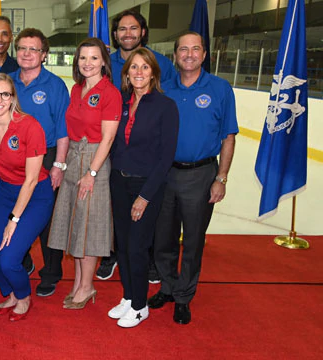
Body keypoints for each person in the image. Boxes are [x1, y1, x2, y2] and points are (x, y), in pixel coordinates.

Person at [147, 31, 238, 325]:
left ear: (204, 53)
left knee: (194, 241)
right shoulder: (163, 88)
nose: (189, 54)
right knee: (163, 239)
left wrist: (221, 178)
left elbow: (228, 136)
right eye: (183, 49)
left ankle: (184, 297)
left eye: (195, 49)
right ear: (175, 54)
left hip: (201, 175)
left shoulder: (220, 89)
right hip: (165, 173)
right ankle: (168, 287)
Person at [97, 9, 179, 283]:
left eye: (133, 28)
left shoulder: (163, 70)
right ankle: (116, 262)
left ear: (143, 31)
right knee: (121, 228)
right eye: (122, 29)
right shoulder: (108, 68)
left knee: (142, 232)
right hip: (119, 164)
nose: (128, 33)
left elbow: (163, 107)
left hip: (148, 166)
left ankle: (144, 276)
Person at [107, 48, 179, 328]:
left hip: (146, 185)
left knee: (137, 247)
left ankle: (140, 306)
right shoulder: (122, 103)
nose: (138, 72)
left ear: (153, 73)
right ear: (126, 73)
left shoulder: (165, 106)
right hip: (118, 181)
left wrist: (145, 197)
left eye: (144, 67)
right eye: (133, 67)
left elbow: (166, 157)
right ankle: (129, 296)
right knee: (122, 246)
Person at [48, 38, 121, 309]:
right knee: (76, 224)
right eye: (82, 58)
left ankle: (88, 285)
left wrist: (91, 172)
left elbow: (108, 138)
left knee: (90, 227)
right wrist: (64, 162)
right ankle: (80, 282)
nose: (87, 63)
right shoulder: (76, 89)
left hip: (94, 161)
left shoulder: (109, 92)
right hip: (75, 158)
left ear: (103, 61)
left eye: (93, 58)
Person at [0, 73, 54, 321]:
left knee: (10, 259)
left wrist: (14, 219)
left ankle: (23, 296)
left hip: (35, 195)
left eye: (5, 94)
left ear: (13, 98)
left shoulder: (29, 126)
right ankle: (10, 293)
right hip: (5, 193)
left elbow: (31, 180)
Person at [11, 28, 69, 297]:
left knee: (48, 220)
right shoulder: (7, 82)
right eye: (22, 48)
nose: (26, 53)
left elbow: (63, 130)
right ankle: (21, 262)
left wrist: (58, 165)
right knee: (15, 214)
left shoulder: (55, 85)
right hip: (12, 157)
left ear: (43, 55)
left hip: (46, 157)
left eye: (33, 49)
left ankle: (51, 272)